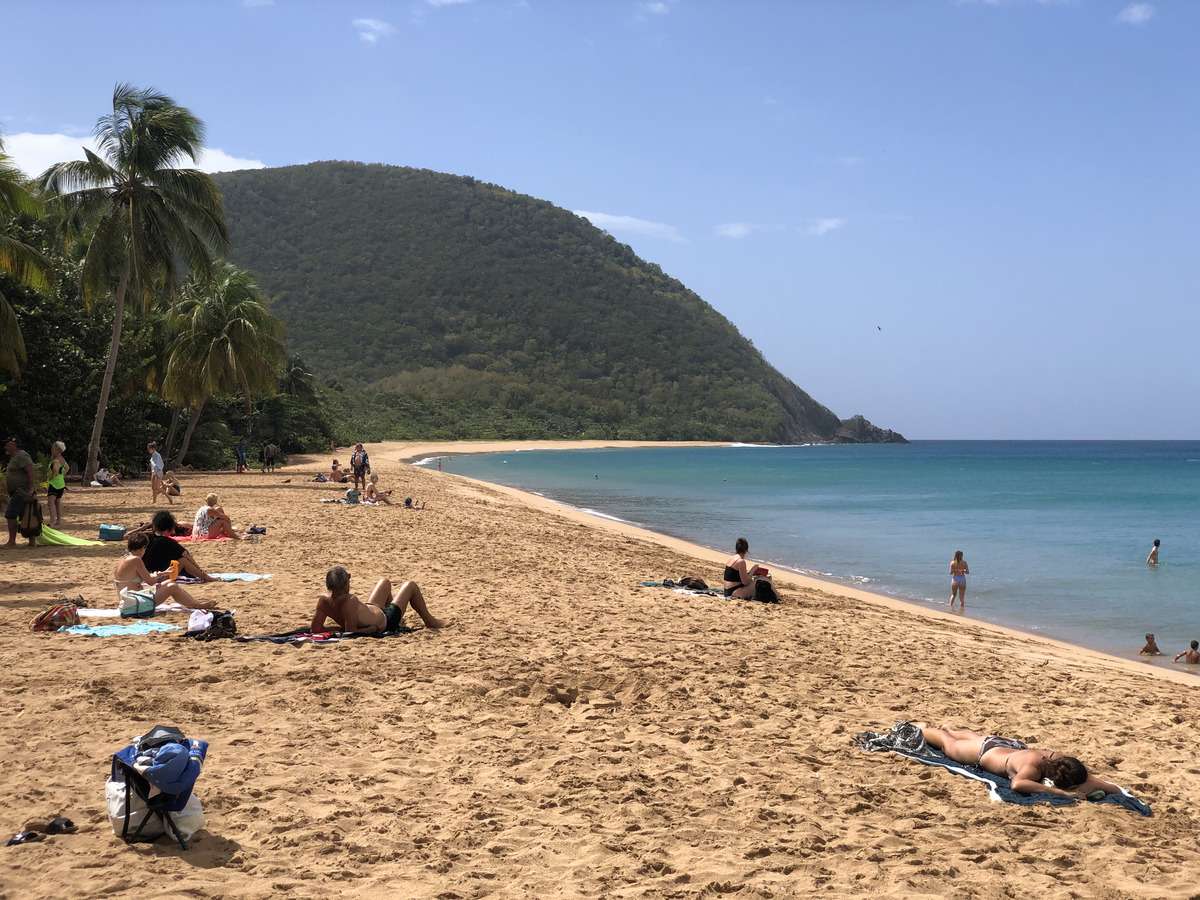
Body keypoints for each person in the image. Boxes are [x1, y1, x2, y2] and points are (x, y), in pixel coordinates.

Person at [919, 724, 1122, 799]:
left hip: (1007, 745)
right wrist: (1062, 792)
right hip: (986, 752)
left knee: (973, 735)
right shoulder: (1032, 769)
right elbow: (1018, 784)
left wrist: (1098, 785)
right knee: (948, 744)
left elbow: (1112, 788)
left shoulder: (1061, 760)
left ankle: (950, 727)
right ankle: (923, 728)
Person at [310, 566, 446, 634]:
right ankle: (431, 621)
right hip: (386, 619)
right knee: (410, 586)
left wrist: (336, 628)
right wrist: (372, 628)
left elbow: (315, 629)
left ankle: (400, 620)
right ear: (345, 583)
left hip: (371, 608)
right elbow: (351, 632)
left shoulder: (323, 599)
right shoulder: (350, 600)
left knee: (384, 582)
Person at [114, 533, 217, 611]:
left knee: (170, 583)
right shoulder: (136, 559)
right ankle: (197, 605)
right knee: (171, 586)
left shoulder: (124, 559)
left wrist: (163, 573)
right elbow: (150, 581)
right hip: (134, 603)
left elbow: (142, 577)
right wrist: (158, 576)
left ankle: (196, 603)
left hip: (129, 601)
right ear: (143, 548)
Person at [143, 510, 218, 582]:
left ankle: (205, 576)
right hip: (160, 576)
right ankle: (206, 577)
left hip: (146, 575)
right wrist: (199, 569)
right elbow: (186, 554)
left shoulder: (147, 538)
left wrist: (141, 528)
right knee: (183, 561)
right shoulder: (169, 542)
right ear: (168, 528)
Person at [4, 435, 38, 550]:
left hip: (22, 491)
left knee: (11, 514)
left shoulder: (22, 455)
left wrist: (30, 489)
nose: (5, 447)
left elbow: (31, 472)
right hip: (18, 491)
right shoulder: (15, 457)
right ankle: (32, 542)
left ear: (13, 445)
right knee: (25, 515)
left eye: (7, 444)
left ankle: (12, 542)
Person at [46, 441, 68, 528]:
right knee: (58, 502)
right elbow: (67, 467)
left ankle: (52, 521)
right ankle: (58, 520)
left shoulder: (56, 460)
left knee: (50, 503)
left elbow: (54, 469)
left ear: (57, 450)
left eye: (52, 449)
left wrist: (51, 476)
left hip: (54, 484)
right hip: (61, 483)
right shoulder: (62, 459)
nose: (51, 451)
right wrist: (62, 474)